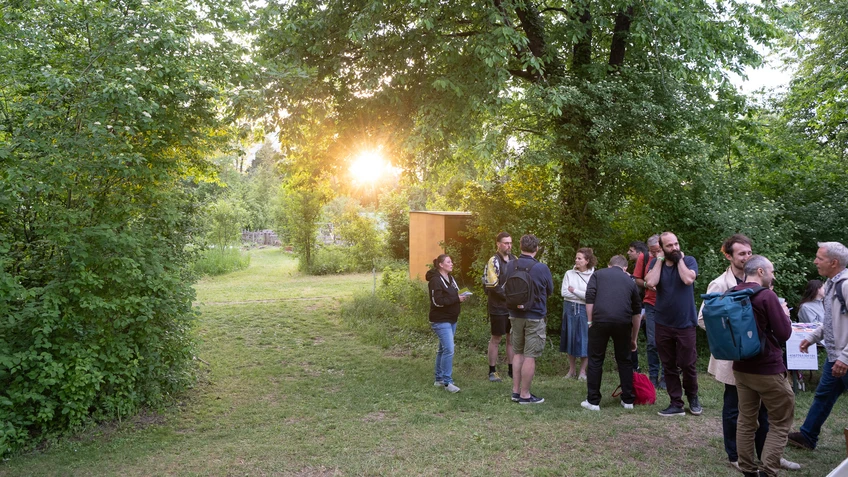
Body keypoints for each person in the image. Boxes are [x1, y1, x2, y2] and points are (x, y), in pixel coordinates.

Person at [697, 234, 772, 470]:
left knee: (763, 409)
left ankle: (767, 455)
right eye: (741, 253)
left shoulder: (761, 278)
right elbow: (702, 319)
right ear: (728, 256)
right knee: (733, 408)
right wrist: (731, 333)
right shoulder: (720, 284)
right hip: (733, 358)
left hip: (759, 357)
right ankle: (734, 456)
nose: (747, 257)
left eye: (749, 252)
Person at [731, 255, 795, 477]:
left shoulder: (732, 292)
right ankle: (768, 471)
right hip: (767, 369)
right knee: (780, 420)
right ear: (760, 271)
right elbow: (784, 334)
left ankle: (748, 469)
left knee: (746, 421)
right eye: (772, 271)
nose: (773, 275)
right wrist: (785, 314)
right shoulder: (767, 296)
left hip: (741, 368)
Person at [787, 241, 848, 451]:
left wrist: (845, 358)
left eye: (819, 258)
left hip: (844, 358)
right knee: (823, 395)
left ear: (834, 262)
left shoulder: (846, 285)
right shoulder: (831, 283)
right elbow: (831, 320)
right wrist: (812, 337)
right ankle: (807, 436)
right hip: (834, 357)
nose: (815, 261)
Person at [644, 231, 701, 417]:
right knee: (668, 365)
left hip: (685, 323)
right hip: (663, 322)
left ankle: (693, 398)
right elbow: (650, 282)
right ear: (662, 248)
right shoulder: (656, 263)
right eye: (669, 246)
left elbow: (687, 279)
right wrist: (660, 260)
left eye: (676, 244)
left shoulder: (689, 261)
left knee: (687, 364)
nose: (675, 248)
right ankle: (676, 403)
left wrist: (679, 261)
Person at [581, 255, 642, 411]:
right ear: (625, 268)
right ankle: (628, 400)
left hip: (599, 320)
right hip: (623, 322)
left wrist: (590, 322)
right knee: (625, 360)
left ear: (609, 265)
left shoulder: (598, 274)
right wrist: (633, 338)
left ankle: (593, 401)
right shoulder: (630, 281)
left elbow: (590, 299)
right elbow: (636, 312)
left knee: (595, 359)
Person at [504, 234, 554, 404]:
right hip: (534, 315)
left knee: (518, 353)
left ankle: (515, 391)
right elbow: (550, 290)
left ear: (520, 247)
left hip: (514, 315)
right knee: (530, 355)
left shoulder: (511, 265)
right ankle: (525, 395)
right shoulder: (541, 268)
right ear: (537, 249)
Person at [426, 254, 468, 393]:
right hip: (440, 319)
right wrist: (456, 298)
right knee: (449, 349)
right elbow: (437, 301)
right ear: (441, 265)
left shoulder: (450, 278)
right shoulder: (435, 281)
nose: (452, 264)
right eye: (449, 262)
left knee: (443, 349)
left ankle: (439, 379)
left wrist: (463, 294)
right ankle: (447, 382)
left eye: (452, 261)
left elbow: (454, 293)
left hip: (452, 319)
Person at [482, 232, 516, 382]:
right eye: (505, 243)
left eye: (510, 243)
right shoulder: (493, 261)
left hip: (512, 307)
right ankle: (492, 371)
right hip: (498, 306)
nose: (508, 245)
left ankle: (512, 369)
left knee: (511, 338)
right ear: (498, 244)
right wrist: (511, 298)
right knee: (496, 338)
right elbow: (492, 285)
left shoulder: (515, 260)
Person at [560, 247, 596, 380]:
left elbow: (591, 296)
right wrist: (583, 295)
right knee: (570, 338)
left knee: (584, 339)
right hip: (569, 308)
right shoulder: (569, 273)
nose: (576, 260)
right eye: (576, 258)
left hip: (585, 310)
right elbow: (564, 293)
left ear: (587, 260)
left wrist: (574, 291)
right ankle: (572, 370)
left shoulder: (593, 275)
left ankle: (582, 371)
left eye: (579, 258)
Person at [635, 235, 665, 389]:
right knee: (652, 342)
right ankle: (653, 376)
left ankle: (666, 377)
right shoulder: (644, 257)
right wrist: (648, 284)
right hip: (650, 303)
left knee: (667, 342)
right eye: (652, 252)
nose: (655, 254)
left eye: (658, 250)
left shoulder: (671, 257)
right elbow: (637, 279)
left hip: (668, 305)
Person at [627, 241, 649, 372]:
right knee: (632, 338)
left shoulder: (646, 265)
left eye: (631, 250)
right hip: (640, 308)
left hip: (645, 308)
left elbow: (640, 289)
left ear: (640, 253)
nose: (628, 253)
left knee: (654, 340)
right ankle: (634, 366)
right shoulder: (637, 266)